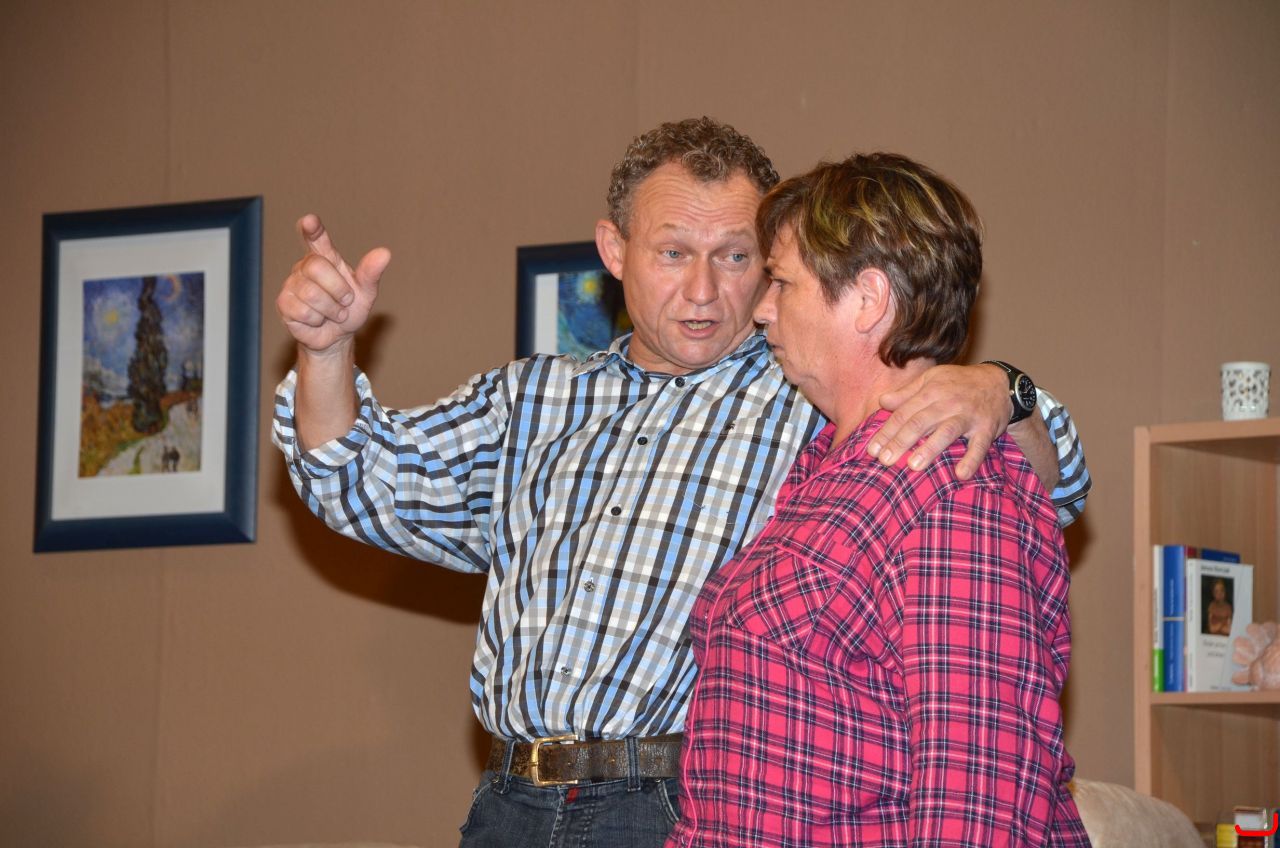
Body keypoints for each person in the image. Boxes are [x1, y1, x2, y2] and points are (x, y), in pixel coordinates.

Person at [272, 118, 1091, 848]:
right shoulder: (531, 400)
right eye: (673, 254)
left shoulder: (807, 389)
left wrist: (1002, 388)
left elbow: (1034, 490)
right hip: (512, 799)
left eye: (737, 258)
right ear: (614, 250)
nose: (706, 291)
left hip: (679, 797)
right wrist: (325, 352)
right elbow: (355, 478)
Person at [667, 152, 1089, 848]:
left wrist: (1001, 386)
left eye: (782, 283)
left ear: (867, 299)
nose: (762, 309)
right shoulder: (825, 470)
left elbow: (978, 789)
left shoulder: (949, 483)